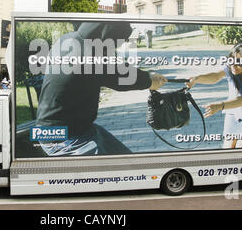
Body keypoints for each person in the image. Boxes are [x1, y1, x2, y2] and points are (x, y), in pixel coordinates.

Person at [35, 22, 167, 156]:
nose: (119, 45)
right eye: (119, 41)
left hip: (66, 128)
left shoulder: (68, 39)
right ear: (108, 37)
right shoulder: (90, 55)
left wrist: (147, 75)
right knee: (114, 171)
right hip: (65, 138)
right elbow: (120, 77)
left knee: (125, 159)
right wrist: (149, 81)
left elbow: (114, 67)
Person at [187, 40, 242, 149]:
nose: (234, 66)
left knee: (241, 148)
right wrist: (197, 79)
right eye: (231, 61)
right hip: (234, 113)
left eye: (239, 63)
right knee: (228, 149)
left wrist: (220, 106)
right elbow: (215, 76)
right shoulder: (231, 65)